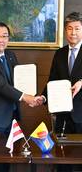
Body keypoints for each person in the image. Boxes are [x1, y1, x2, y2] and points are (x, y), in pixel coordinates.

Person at [0, 22, 42, 172]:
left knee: (5, 159)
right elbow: (0, 85)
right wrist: (26, 97)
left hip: (10, 117)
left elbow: (18, 81)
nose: (0, 40)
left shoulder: (10, 55)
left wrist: (30, 95)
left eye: (4, 36)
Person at [37, 12, 82, 172]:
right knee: (63, 159)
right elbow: (52, 80)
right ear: (65, 31)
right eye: (69, 28)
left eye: (77, 28)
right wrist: (43, 97)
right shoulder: (60, 53)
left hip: (81, 115)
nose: (73, 32)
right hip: (63, 115)